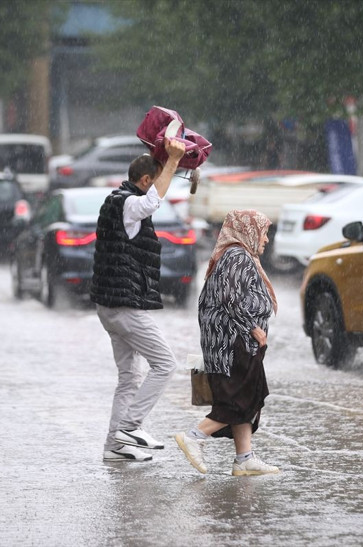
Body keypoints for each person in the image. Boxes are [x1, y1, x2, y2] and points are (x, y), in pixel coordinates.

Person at [91, 138, 186, 462]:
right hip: (122, 306)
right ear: (145, 181)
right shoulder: (131, 203)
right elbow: (151, 203)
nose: (158, 187)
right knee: (166, 364)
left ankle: (114, 447)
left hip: (109, 306)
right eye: (156, 181)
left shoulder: (114, 200)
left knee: (130, 377)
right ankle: (130, 427)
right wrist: (172, 161)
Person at [175, 209, 281, 476]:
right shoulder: (237, 256)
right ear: (248, 230)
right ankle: (194, 436)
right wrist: (253, 328)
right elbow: (230, 299)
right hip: (234, 343)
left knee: (247, 398)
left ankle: (244, 458)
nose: (266, 239)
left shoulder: (239, 255)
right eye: (264, 232)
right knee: (235, 401)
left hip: (237, 342)